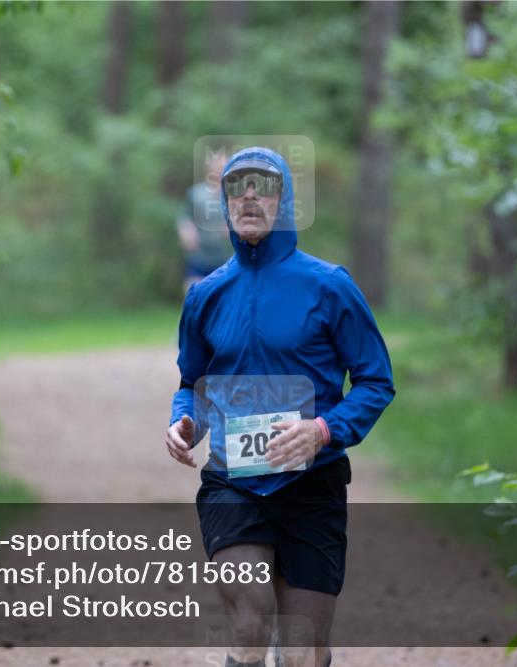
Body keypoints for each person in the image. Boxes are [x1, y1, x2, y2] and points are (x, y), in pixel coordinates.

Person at [165, 147, 396, 667]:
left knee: (302, 650)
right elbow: (193, 383)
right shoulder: (206, 295)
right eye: (237, 186)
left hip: (313, 484)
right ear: (222, 204)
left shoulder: (330, 286)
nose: (249, 196)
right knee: (248, 623)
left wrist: (323, 430)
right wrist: (184, 422)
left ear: (284, 200)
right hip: (232, 482)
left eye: (263, 186)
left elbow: (375, 382)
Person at [176, 151, 233, 293]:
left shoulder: (237, 195)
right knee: (193, 295)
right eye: (217, 164)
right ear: (209, 168)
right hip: (199, 255)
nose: (220, 168)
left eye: (224, 164)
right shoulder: (196, 193)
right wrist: (185, 231)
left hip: (226, 257)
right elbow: (184, 217)